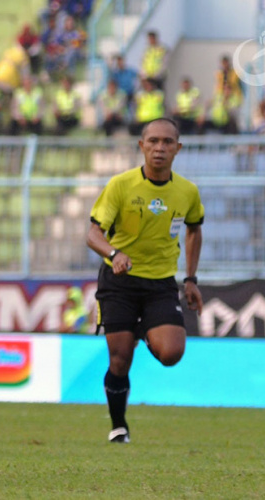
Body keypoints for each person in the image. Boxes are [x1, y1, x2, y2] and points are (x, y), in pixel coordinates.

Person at [86, 117, 204, 444]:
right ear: (142, 146)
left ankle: (146, 329)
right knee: (120, 359)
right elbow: (93, 233)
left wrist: (191, 279)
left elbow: (194, 229)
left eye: (167, 142)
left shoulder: (187, 191)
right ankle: (118, 425)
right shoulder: (121, 185)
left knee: (170, 353)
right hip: (119, 282)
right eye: (152, 141)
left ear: (177, 149)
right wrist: (113, 254)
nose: (159, 148)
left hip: (160, 283)